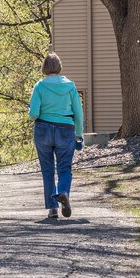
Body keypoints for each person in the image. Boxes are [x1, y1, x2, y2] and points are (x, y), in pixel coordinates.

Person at [28, 53, 84, 219]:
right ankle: (63, 192)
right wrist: (79, 135)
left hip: (43, 129)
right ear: (59, 67)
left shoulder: (39, 86)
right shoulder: (70, 87)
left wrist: (30, 112)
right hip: (66, 129)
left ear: (44, 67)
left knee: (47, 170)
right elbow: (78, 114)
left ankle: (52, 208)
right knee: (64, 168)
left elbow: (34, 114)